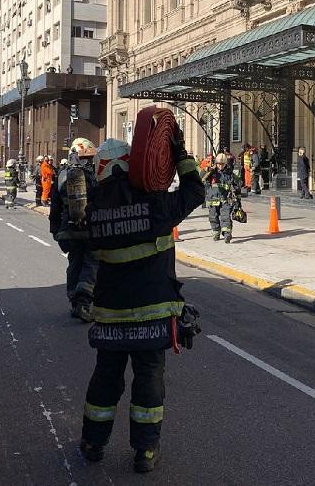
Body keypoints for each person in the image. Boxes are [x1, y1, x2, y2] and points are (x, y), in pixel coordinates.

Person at [79, 129, 204, 473]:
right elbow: (195, 192)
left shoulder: (93, 211)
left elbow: (70, 242)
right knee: (148, 383)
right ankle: (145, 452)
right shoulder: (157, 205)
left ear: (102, 169)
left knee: (105, 380)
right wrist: (180, 154)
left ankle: (93, 443)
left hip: (110, 318)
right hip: (153, 317)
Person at [50, 138, 98, 320]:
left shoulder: (62, 173)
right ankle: (84, 301)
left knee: (74, 262)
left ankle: (74, 302)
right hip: (89, 228)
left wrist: (55, 229)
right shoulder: (90, 174)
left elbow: (55, 206)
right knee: (92, 262)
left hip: (67, 230)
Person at [203, 152, 241, 243]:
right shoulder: (211, 172)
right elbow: (202, 180)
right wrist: (208, 171)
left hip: (225, 200)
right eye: (218, 164)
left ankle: (227, 234)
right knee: (213, 217)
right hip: (212, 200)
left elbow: (236, 187)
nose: (220, 166)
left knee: (226, 217)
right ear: (216, 163)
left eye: (222, 164)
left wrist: (238, 202)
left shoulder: (230, 174)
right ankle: (216, 232)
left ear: (225, 164)